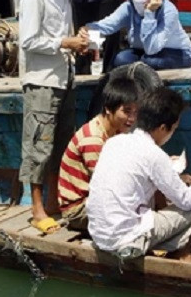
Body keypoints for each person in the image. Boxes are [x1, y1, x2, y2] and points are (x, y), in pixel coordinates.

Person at [87, 87, 191, 262]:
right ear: (163, 128)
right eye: (174, 129)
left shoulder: (115, 142)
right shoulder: (154, 155)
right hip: (125, 240)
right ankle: (182, 254)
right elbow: (185, 200)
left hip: (99, 235)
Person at [19, 0, 96, 233]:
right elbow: (28, 41)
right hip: (42, 80)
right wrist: (65, 43)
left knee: (61, 145)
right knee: (39, 144)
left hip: (64, 77)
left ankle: (53, 202)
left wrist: (77, 39)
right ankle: (37, 208)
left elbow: (61, 36)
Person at [57, 77, 140, 229]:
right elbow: (109, 183)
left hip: (96, 200)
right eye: (127, 111)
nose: (132, 118)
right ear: (108, 108)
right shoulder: (93, 139)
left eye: (135, 112)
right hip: (78, 210)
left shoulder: (114, 130)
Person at [86, 0, 191, 70]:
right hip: (143, 53)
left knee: (152, 62)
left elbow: (152, 48)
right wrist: (87, 29)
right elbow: (109, 25)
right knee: (121, 59)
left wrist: (149, 13)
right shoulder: (128, 7)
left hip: (176, 53)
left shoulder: (169, 11)